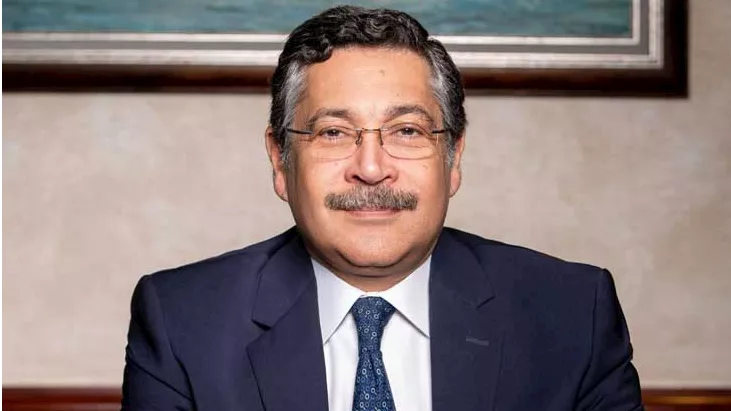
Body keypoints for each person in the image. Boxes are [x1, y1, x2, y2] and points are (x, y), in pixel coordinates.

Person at [122, 5, 643, 411]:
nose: (371, 168)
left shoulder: (573, 313)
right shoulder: (182, 320)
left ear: (453, 157)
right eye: (333, 132)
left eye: (407, 131)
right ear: (280, 161)